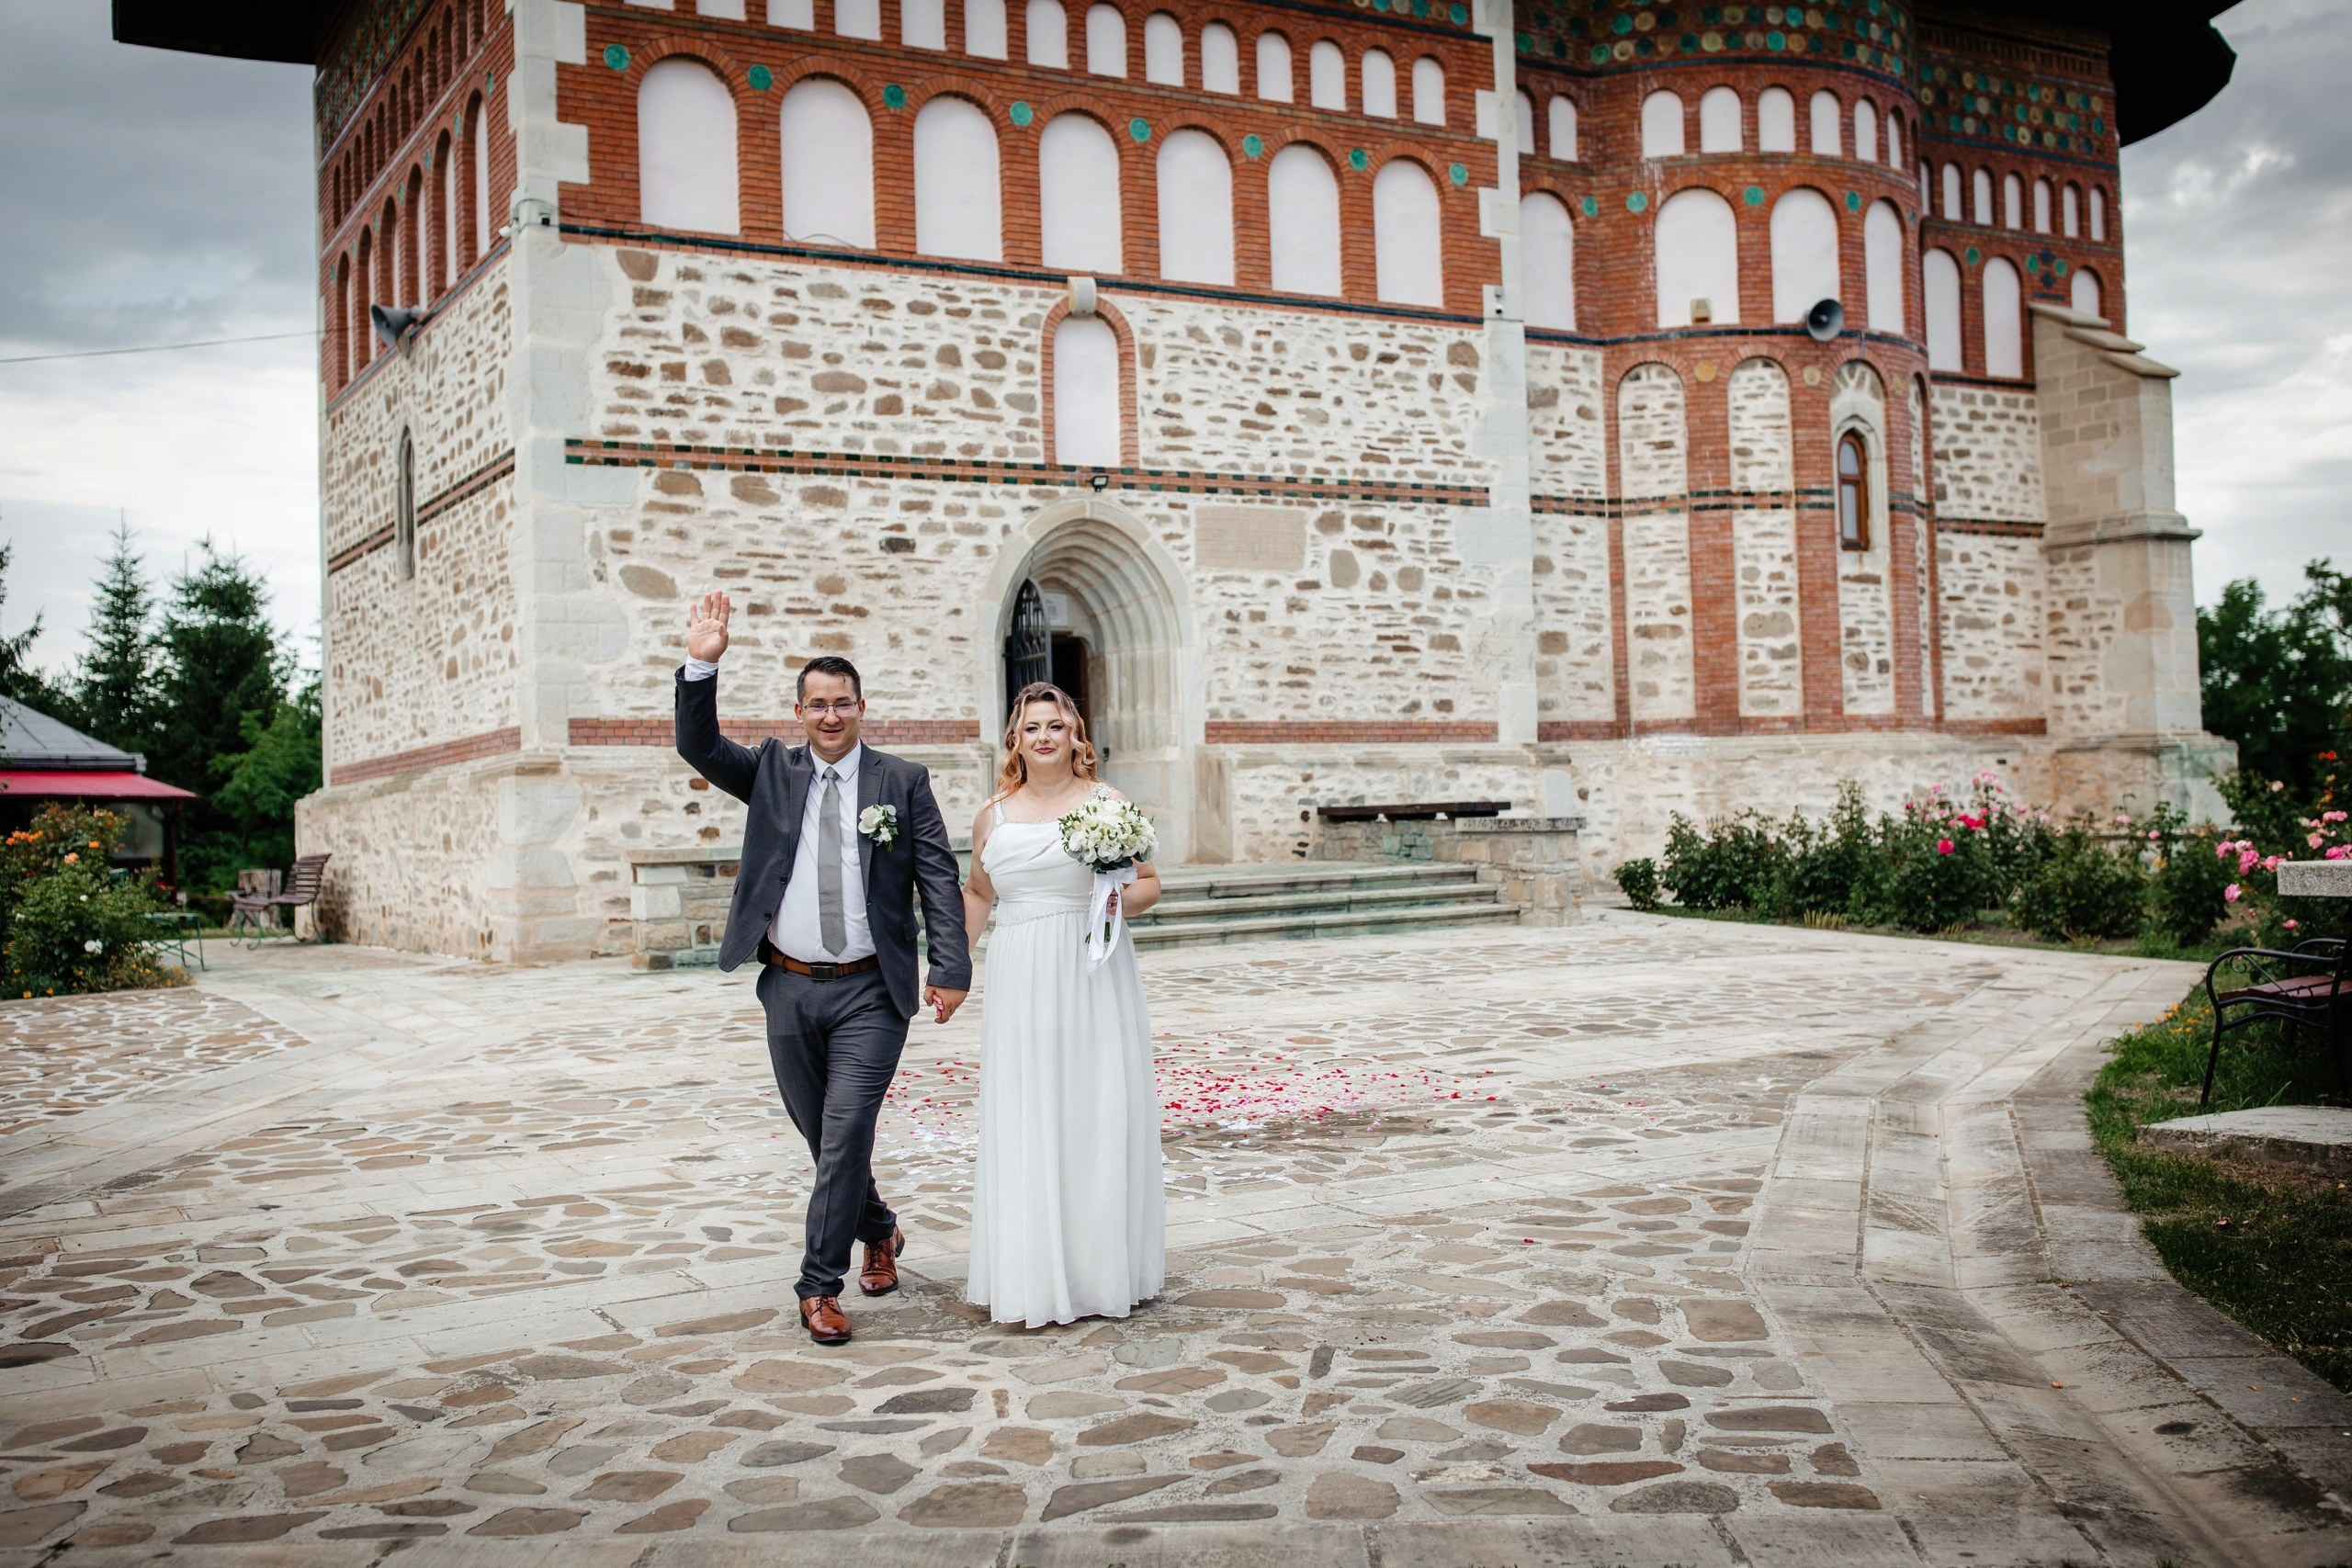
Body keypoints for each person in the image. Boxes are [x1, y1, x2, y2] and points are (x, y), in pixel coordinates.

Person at [673, 591, 970, 1346]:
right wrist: (701, 666)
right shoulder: (772, 770)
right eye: (817, 705)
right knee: (823, 1137)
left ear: (862, 706)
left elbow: (937, 877)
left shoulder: (902, 782)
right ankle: (880, 1228)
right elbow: (699, 747)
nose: (830, 716)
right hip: (789, 986)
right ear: (799, 711)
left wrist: (952, 965)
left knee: (845, 1136)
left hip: (873, 988)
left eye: (843, 703)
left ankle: (817, 1286)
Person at [961, 681, 1166, 1326]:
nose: (1044, 736)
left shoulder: (1108, 803)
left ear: (1075, 735)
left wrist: (1107, 895)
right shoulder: (993, 813)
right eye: (1032, 726)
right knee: (1031, 1110)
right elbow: (978, 893)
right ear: (1014, 740)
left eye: (1056, 725)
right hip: (1021, 973)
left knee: (1094, 1109)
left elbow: (1150, 885)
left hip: (1092, 970)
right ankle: (1031, 1273)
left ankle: (1098, 1272)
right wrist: (947, 967)